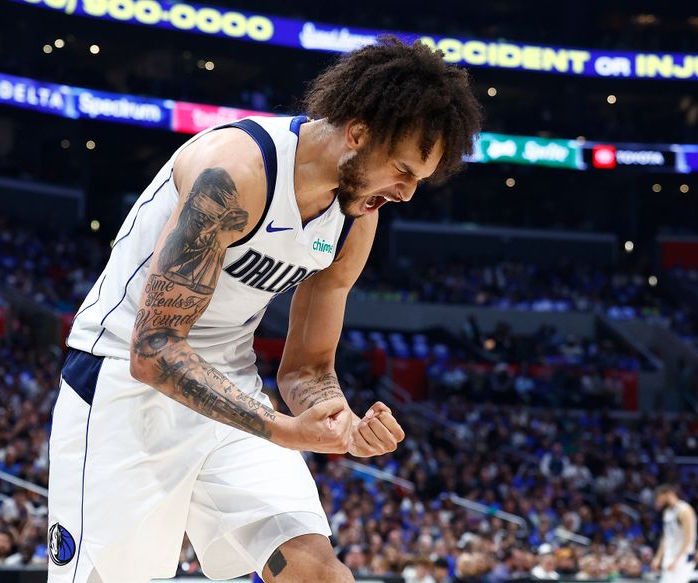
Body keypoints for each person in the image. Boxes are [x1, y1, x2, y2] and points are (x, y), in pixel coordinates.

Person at [51, 36, 483, 583]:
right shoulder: (234, 170)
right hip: (121, 386)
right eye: (402, 170)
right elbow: (153, 350)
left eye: (418, 180)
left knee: (317, 573)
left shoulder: (356, 214)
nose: (405, 193)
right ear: (358, 134)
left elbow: (307, 370)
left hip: (231, 389)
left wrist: (336, 419)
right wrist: (282, 430)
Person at [652, 484, 697, 583]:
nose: (659, 501)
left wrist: (677, 560)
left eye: (660, 498)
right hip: (670, 555)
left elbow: (689, 538)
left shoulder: (684, 510)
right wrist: (658, 557)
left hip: (683, 557)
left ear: (668, 494)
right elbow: (666, 537)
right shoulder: (667, 512)